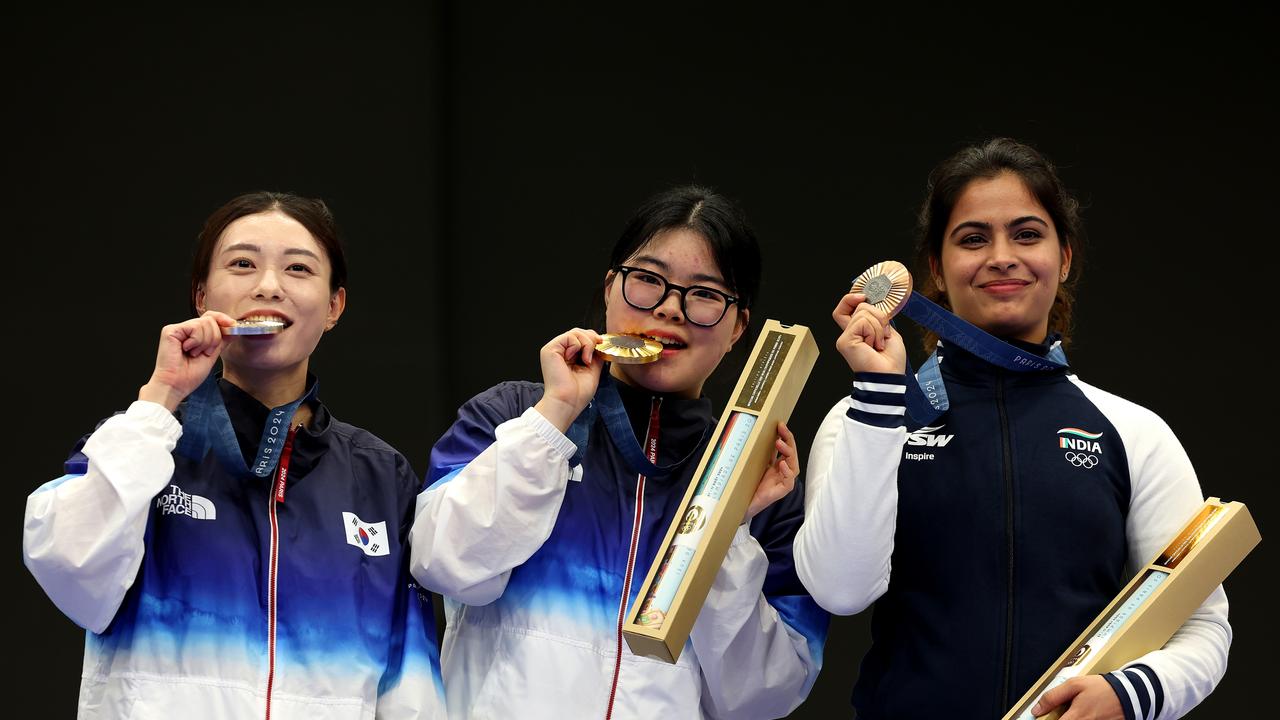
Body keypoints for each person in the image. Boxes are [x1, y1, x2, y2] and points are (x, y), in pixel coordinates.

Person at [794, 139, 1231, 720]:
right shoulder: (866, 416)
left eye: (1027, 234)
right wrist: (879, 397)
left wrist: (1132, 695)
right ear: (936, 270)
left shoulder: (1134, 432)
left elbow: (1201, 624)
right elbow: (840, 591)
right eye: (973, 239)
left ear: (1065, 257)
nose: (1002, 256)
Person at [410, 186, 828, 719]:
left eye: (704, 293)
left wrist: (725, 530)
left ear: (738, 326)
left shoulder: (755, 474)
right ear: (610, 289)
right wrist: (553, 416)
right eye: (649, 280)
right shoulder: (514, 415)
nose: (670, 309)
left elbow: (764, 696)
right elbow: (444, 565)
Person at [23, 192, 445, 719]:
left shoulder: (380, 474)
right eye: (242, 264)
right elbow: (69, 567)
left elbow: (409, 684)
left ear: (334, 305)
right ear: (202, 296)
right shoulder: (141, 443)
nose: (268, 286)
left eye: (298, 268)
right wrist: (160, 396)